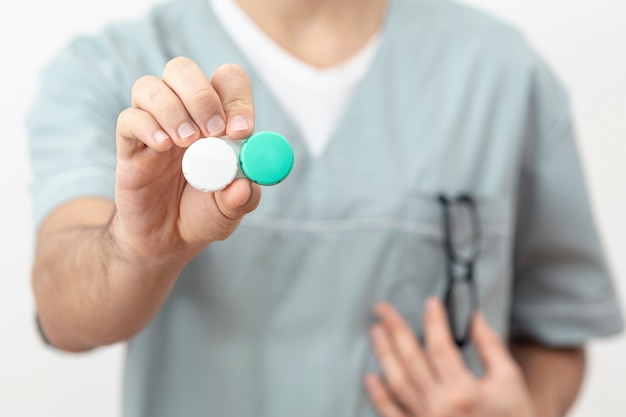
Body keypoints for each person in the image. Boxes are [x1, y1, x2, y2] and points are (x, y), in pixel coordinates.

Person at [26, 0, 623, 415]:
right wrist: (136, 251)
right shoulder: (111, 71)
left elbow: (558, 331)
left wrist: (529, 407)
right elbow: (63, 311)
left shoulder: (501, 72)